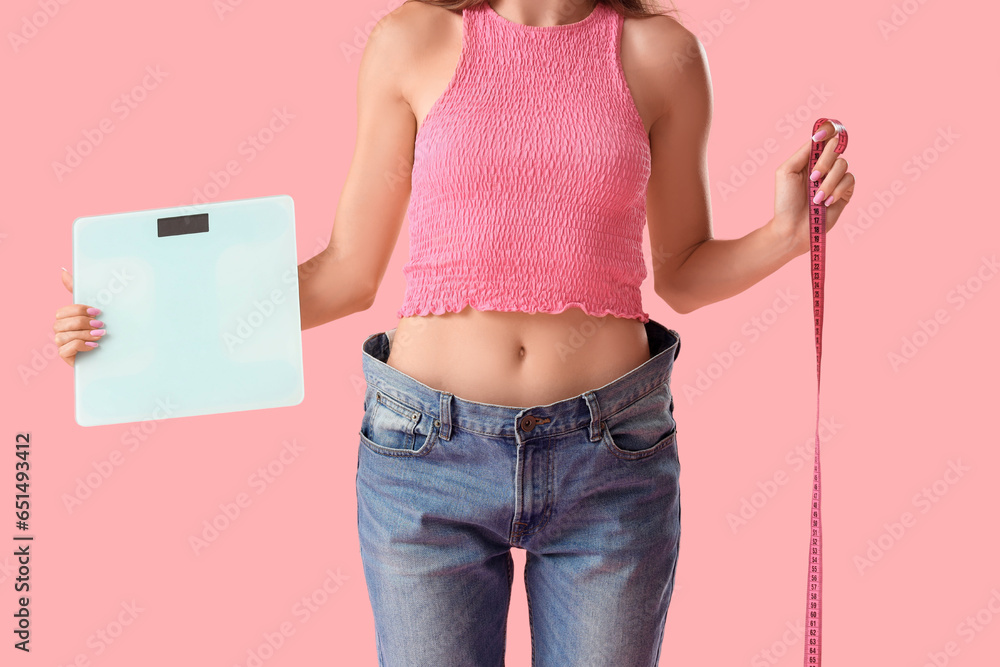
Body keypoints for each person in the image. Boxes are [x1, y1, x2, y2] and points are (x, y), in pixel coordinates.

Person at [52, 0, 855, 664]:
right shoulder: (412, 42)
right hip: (424, 457)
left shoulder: (663, 56)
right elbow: (344, 273)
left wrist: (787, 236)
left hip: (610, 459)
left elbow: (680, 268)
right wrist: (148, 310)